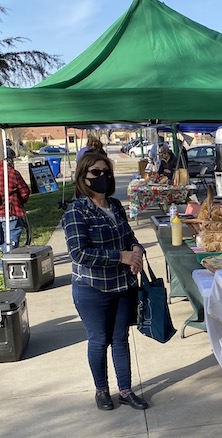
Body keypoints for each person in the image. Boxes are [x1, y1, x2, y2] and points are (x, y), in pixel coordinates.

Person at [61, 152, 148, 411]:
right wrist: (120, 257)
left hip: (121, 286)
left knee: (121, 338)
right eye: (95, 173)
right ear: (83, 178)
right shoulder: (76, 211)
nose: (102, 177)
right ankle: (101, 390)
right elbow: (79, 253)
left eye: (106, 172)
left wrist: (136, 249)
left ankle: (125, 390)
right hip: (93, 288)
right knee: (99, 339)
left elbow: (129, 235)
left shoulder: (115, 206)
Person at [0, 156, 31, 252]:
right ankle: (8, 265)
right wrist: (21, 202)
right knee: (10, 243)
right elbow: (25, 192)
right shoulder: (12, 172)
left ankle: (2, 265)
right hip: (10, 212)